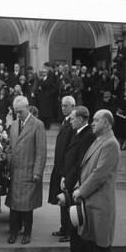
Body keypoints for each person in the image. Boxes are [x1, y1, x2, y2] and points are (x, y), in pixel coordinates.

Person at [72, 109, 120, 252]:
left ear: (107, 123)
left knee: (101, 243)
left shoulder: (110, 144)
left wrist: (80, 191)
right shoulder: (99, 140)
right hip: (91, 200)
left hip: (100, 202)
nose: (92, 123)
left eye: (96, 120)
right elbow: (87, 169)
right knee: (92, 239)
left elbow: (99, 174)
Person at [5, 96, 47, 244]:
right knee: (14, 206)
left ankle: (27, 233)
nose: (18, 115)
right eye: (16, 112)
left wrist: (37, 172)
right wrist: (7, 161)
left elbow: (41, 151)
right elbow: (10, 147)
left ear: (28, 108)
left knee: (27, 207)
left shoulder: (38, 125)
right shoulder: (14, 125)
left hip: (29, 172)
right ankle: (13, 233)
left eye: (20, 111)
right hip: (15, 172)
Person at [59, 106, 96, 252]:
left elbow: (79, 163)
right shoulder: (77, 131)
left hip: (78, 184)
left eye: (73, 118)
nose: (71, 120)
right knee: (73, 222)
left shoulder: (87, 135)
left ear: (81, 119)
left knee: (80, 223)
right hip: (71, 181)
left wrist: (68, 181)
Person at [48, 96, 76, 242]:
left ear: (73, 106)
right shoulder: (66, 121)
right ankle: (63, 228)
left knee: (67, 201)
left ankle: (69, 231)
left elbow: (70, 150)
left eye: (66, 106)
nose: (63, 108)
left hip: (66, 170)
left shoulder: (72, 123)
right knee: (62, 201)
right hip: (59, 167)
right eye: (62, 105)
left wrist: (65, 172)